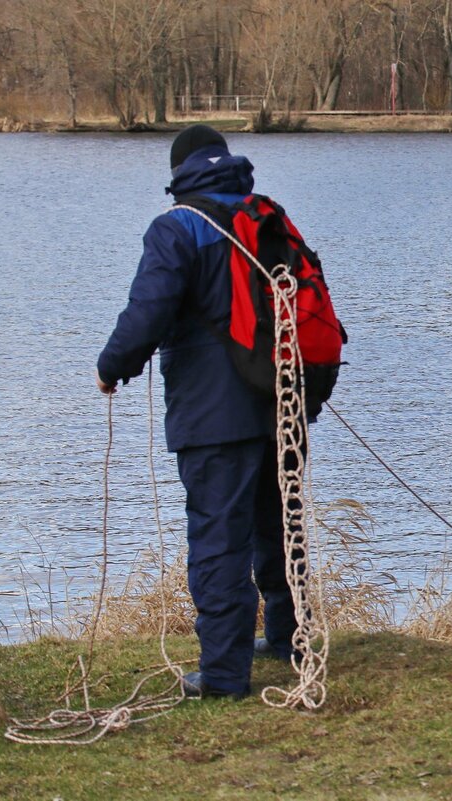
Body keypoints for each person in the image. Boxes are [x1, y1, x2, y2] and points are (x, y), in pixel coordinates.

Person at [96, 124, 303, 699]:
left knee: (219, 539)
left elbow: (149, 310)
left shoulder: (178, 225)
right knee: (279, 526)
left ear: (179, 171)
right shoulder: (267, 215)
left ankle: (224, 676)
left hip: (214, 414)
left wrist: (111, 366)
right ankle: (289, 640)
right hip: (283, 400)